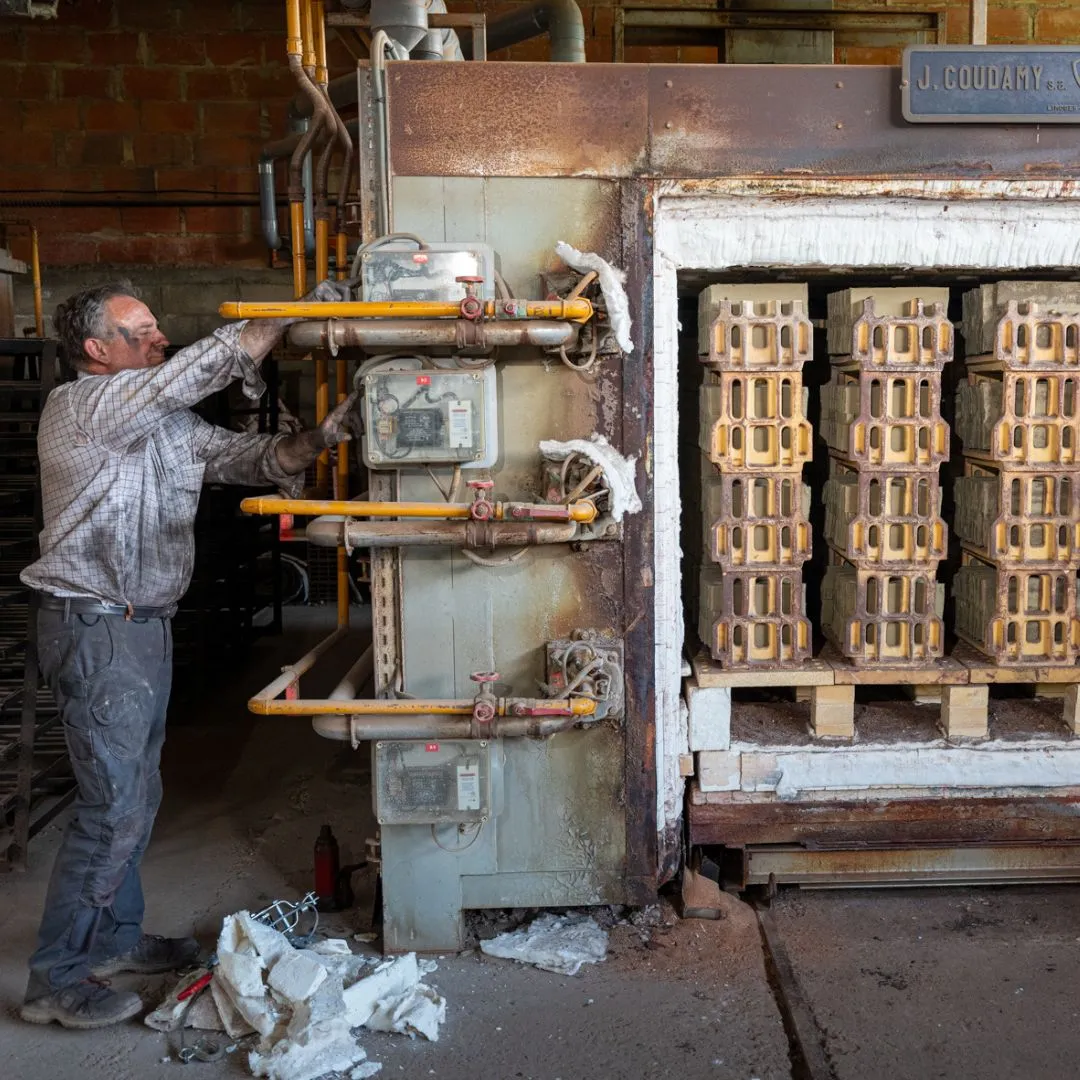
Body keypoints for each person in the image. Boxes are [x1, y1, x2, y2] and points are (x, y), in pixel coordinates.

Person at [18, 279, 356, 1029]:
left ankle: (114, 940)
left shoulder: (160, 427)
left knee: (135, 798)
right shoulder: (87, 407)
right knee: (111, 808)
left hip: (141, 626)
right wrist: (287, 311)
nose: (159, 338)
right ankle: (57, 978)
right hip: (97, 626)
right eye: (141, 332)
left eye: (156, 327)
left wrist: (321, 438)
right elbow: (194, 371)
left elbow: (252, 460)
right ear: (96, 351)